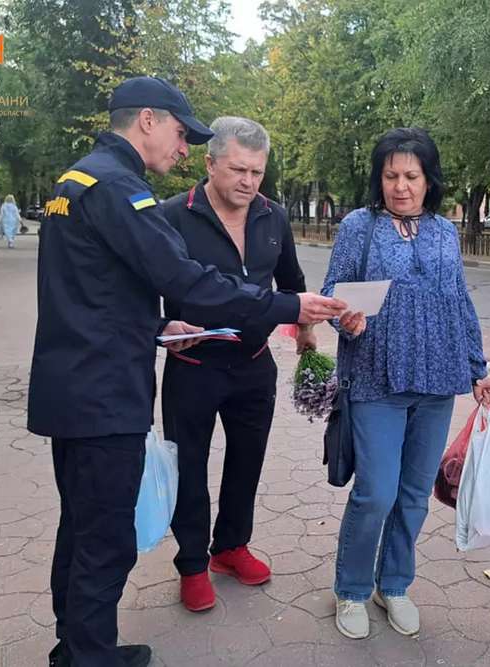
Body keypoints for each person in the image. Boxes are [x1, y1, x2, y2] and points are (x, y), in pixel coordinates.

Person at [28, 76, 346, 667]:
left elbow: (92, 293)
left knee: (80, 532)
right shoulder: (121, 188)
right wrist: (287, 307)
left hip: (75, 384)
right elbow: (184, 279)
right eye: (180, 134)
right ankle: (90, 657)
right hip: (105, 393)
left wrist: (155, 327)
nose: (180, 149)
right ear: (147, 120)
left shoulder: (77, 180)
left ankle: (78, 649)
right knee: (103, 541)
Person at [321, 127, 490, 640]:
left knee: (414, 495)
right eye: (391, 175)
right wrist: (345, 319)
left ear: (429, 181)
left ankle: (394, 584)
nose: (401, 185)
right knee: (376, 494)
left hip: (437, 379)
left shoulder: (445, 230)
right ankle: (352, 589)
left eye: (411, 176)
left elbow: (459, 301)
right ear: (379, 179)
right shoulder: (361, 225)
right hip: (377, 376)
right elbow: (333, 291)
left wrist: (478, 369)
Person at [159, 116, 315, 612]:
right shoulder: (172, 217)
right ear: (209, 164)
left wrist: (306, 332)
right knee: (189, 468)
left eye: (257, 172)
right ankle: (191, 564)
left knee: (247, 462)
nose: (248, 182)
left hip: (253, 363)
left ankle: (229, 547)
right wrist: (159, 329)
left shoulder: (273, 216)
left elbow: (290, 282)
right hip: (194, 367)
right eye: (237, 170)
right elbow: (139, 292)